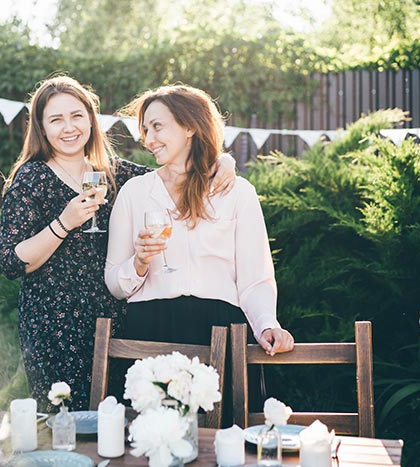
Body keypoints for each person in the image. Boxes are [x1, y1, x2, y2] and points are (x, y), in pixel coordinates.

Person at [0, 76, 236, 412]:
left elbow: (176, 172)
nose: (69, 127)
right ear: (41, 128)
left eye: (77, 116)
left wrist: (222, 161)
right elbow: (12, 261)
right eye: (56, 119)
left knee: (117, 422)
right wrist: (64, 222)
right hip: (55, 324)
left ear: (91, 120)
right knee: (68, 422)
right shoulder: (31, 178)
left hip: (115, 322)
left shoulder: (117, 175)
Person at [105, 84, 294, 374]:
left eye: (157, 127)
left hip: (221, 332)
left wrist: (267, 324)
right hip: (149, 331)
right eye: (145, 130)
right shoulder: (134, 192)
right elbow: (115, 284)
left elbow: (255, 280)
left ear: (190, 127)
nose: (149, 140)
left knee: (223, 420)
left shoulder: (237, 192)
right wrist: (140, 263)